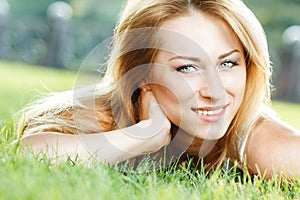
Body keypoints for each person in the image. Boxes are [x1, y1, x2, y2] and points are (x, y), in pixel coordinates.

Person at [16, 0, 300, 179]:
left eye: (227, 63)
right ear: (141, 74)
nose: (215, 91)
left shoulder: (257, 137)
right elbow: (33, 154)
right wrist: (144, 135)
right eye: (186, 68)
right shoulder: (105, 114)